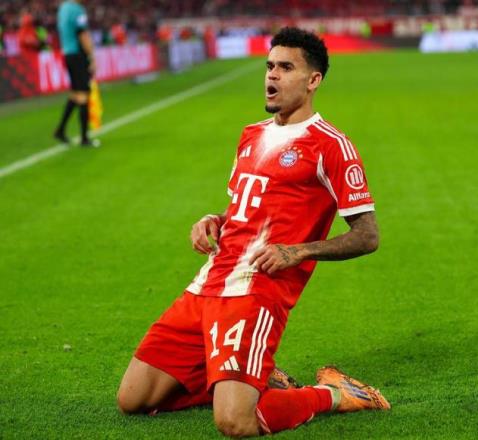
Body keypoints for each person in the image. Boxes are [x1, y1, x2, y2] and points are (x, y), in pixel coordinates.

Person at [117, 27, 390, 437]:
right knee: (134, 399)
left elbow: (368, 235)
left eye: (286, 68)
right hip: (209, 282)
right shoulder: (252, 134)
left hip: (255, 290)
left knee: (235, 421)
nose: (272, 75)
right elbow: (244, 210)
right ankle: (248, 376)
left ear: (313, 80)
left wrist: (298, 251)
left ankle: (335, 394)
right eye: (269, 66)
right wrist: (214, 220)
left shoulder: (331, 145)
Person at [54, 0, 99, 147]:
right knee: (84, 94)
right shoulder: (77, 10)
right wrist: (92, 57)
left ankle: (60, 130)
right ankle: (85, 138)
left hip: (67, 54)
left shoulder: (63, 8)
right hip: (78, 55)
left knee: (75, 93)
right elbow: (82, 34)